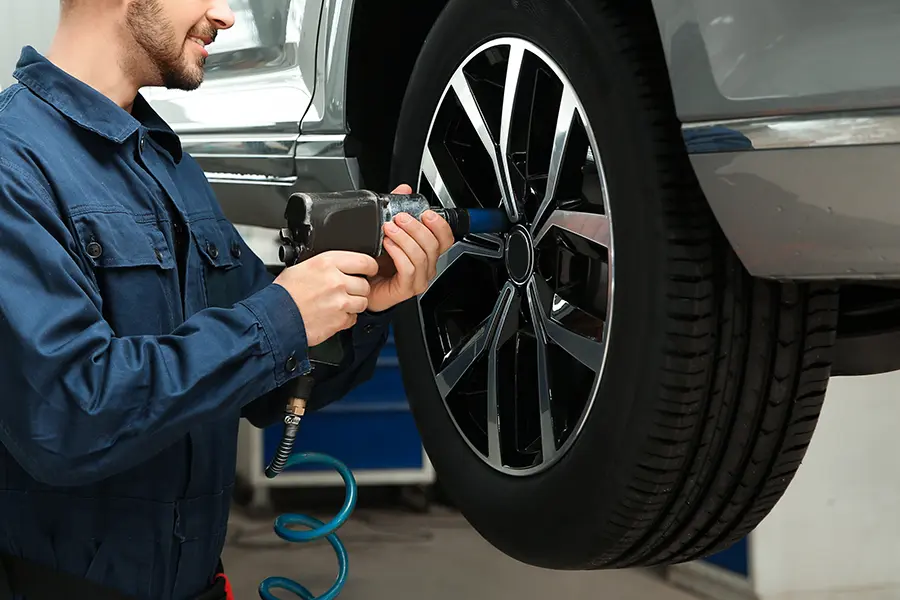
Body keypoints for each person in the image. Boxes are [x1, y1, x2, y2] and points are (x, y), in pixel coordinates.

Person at [0, 1, 454, 599]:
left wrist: (364, 306)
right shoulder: (14, 163)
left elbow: (265, 388)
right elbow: (69, 419)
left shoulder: (168, 164)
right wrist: (281, 317)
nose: (226, 16)